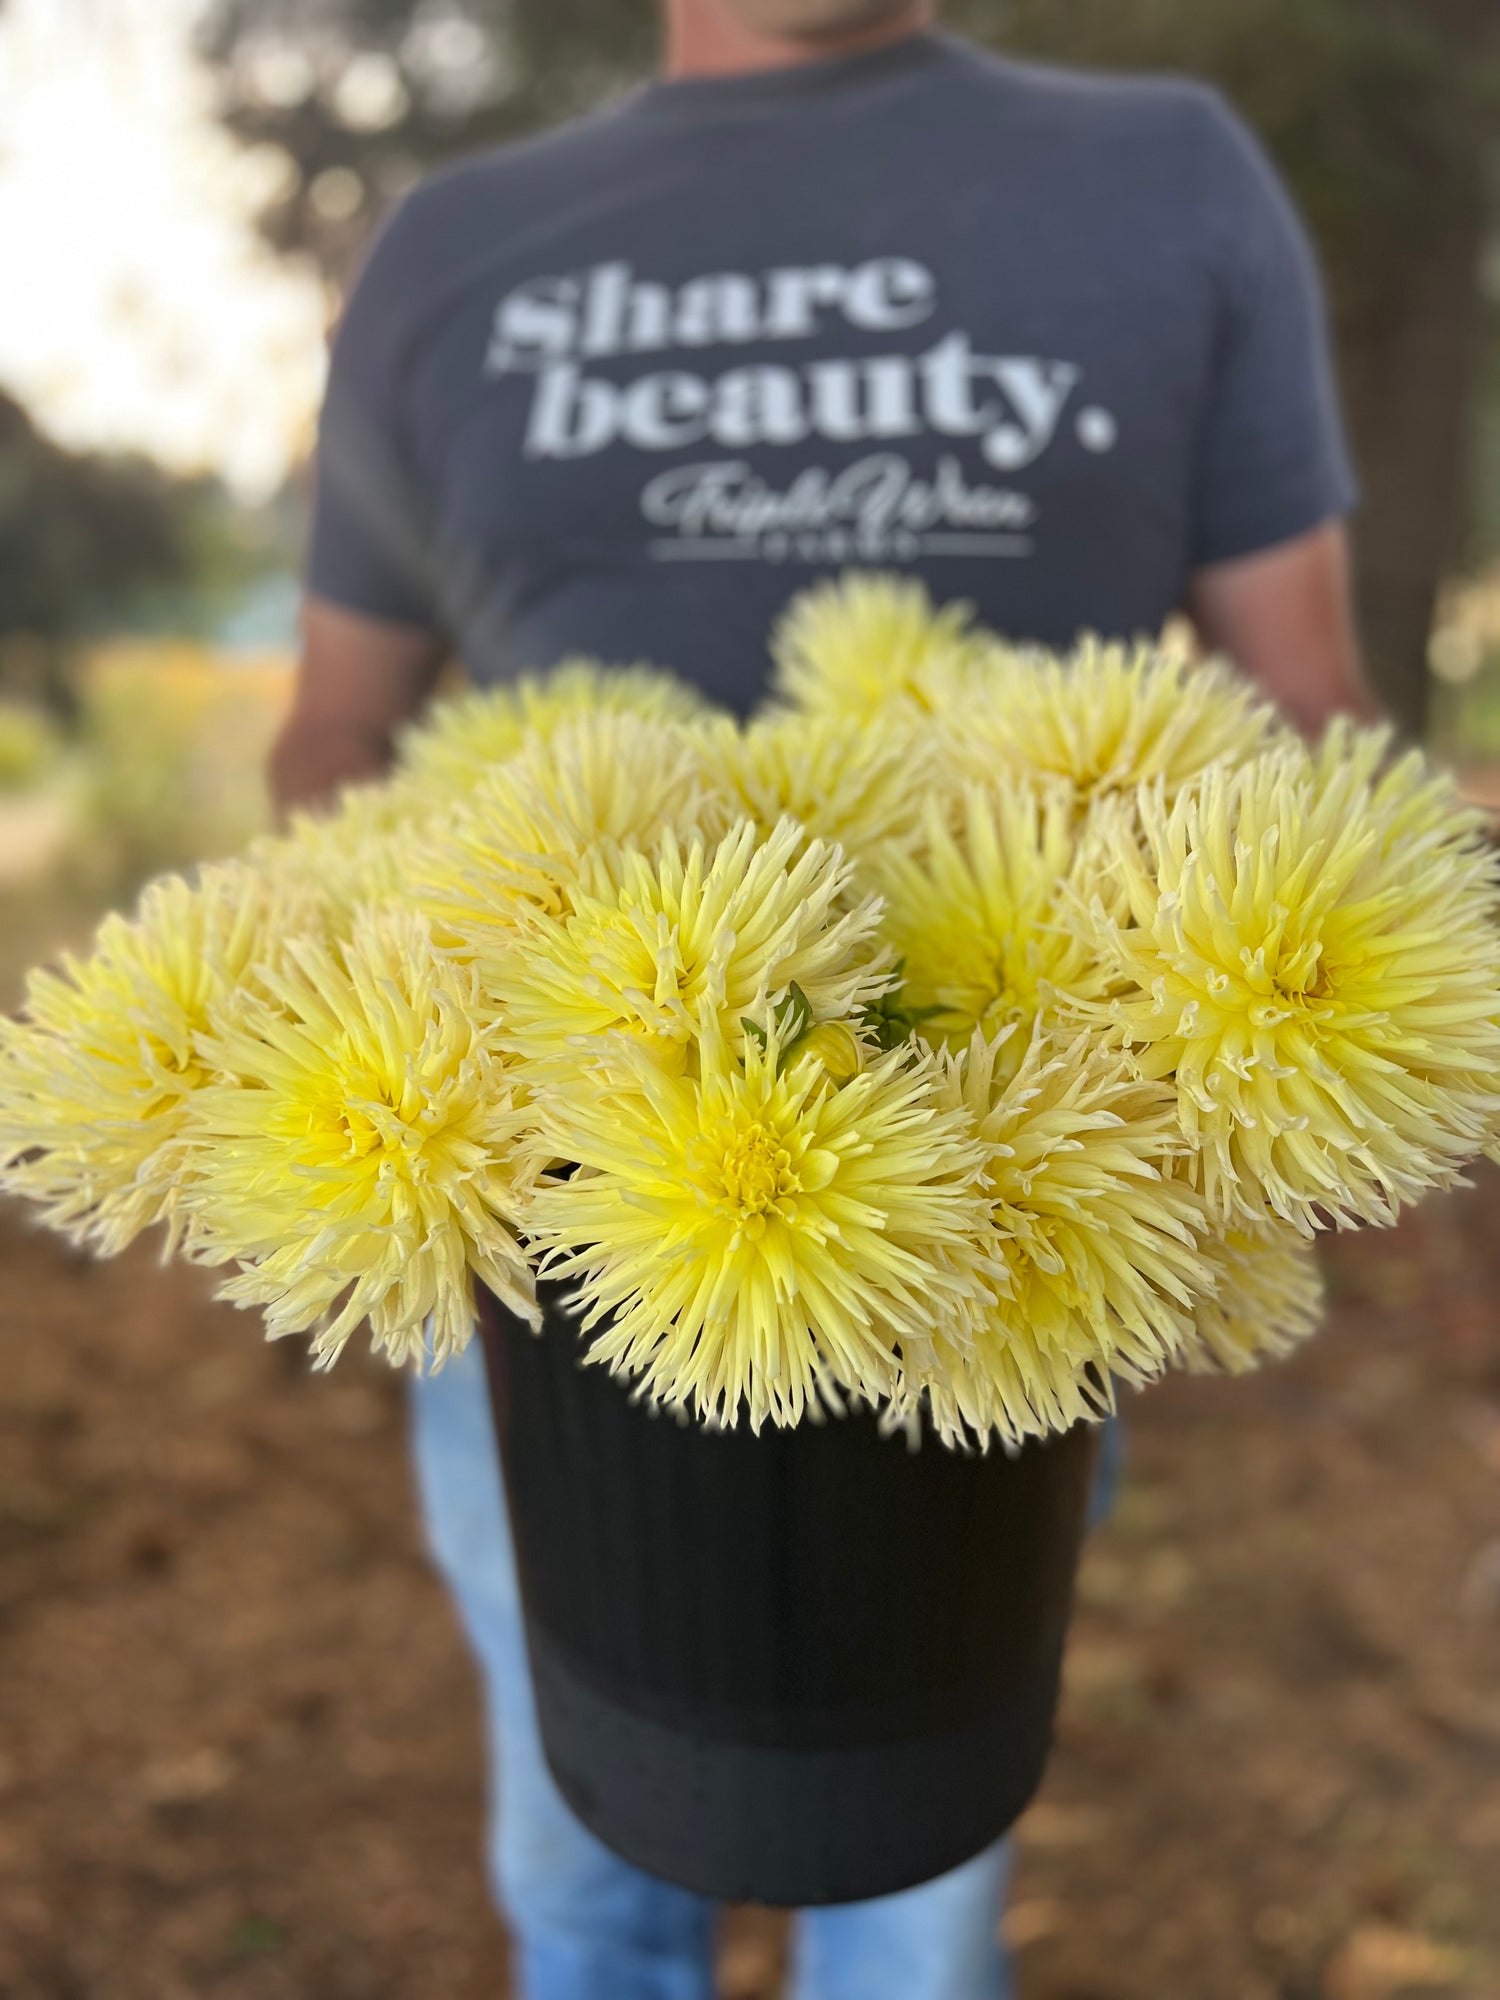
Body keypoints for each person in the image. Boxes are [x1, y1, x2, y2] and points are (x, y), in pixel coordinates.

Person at [272, 3, 1374, 1994]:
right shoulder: (450, 245)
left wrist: (1385, 917)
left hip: (1028, 1190)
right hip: (537, 1224)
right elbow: (341, 729)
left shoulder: (1172, 179)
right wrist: (332, 1004)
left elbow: (1308, 715)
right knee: (585, 1850)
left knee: (917, 1875)